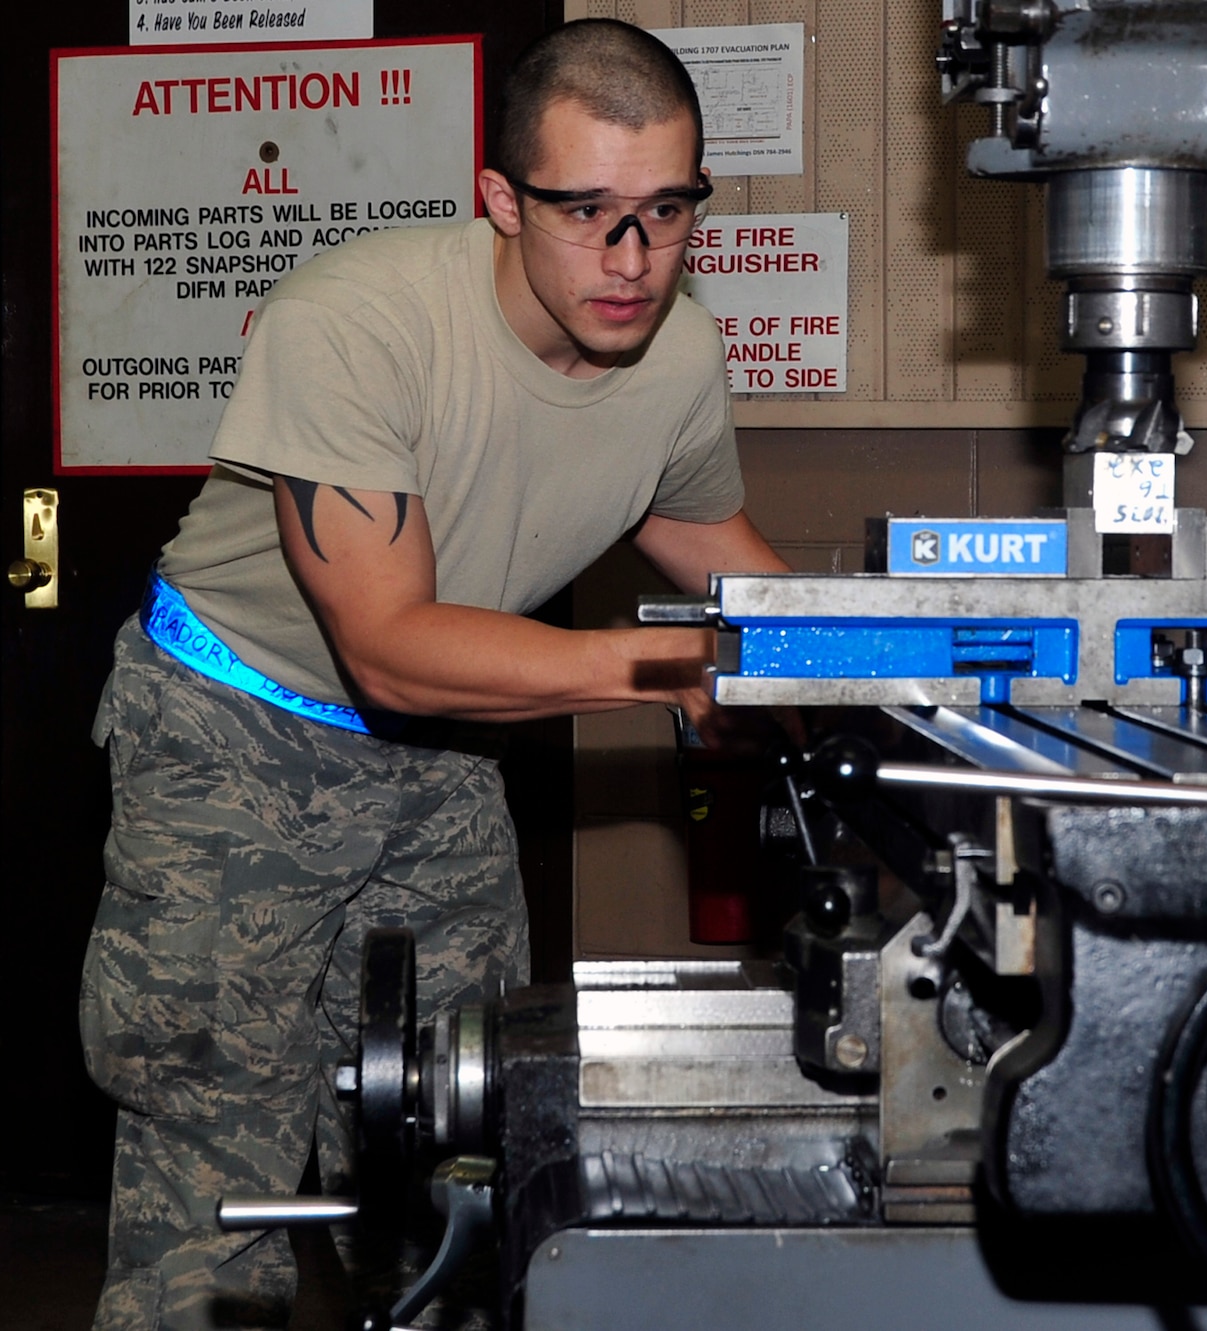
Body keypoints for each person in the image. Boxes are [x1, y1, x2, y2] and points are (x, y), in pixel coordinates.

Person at [78, 21, 785, 1330]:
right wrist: (685, 666)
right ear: (502, 200)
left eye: (667, 212)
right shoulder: (355, 322)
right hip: (234, 734)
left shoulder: (678, 351)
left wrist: (884, 649)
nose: (633, 261)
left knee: (462, 1132)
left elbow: (710, 546)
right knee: (212, 1155)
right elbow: (391, 644)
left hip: (444, 752)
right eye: (588, 213)